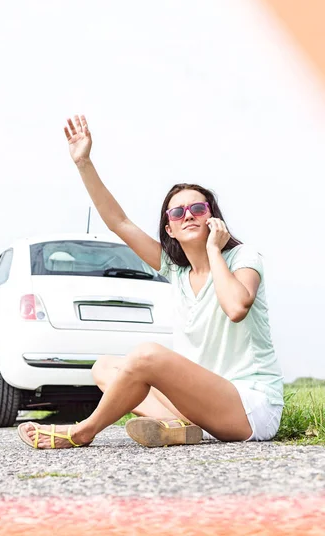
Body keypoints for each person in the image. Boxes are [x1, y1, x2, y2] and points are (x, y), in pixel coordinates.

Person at [18, 115, 284, 450]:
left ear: (213, 218)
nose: (188, 215)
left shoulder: (243, 258)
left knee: (147, 355)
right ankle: (176, 426)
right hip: (203, 402)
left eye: (198, 208)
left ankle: (84, 430)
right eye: (177, 213)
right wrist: (84, 162)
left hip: (249, 407)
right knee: (106, 367)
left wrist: (215, 250)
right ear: (169, 229)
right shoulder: (176, 270)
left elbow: (235, 307)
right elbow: (119, 222)